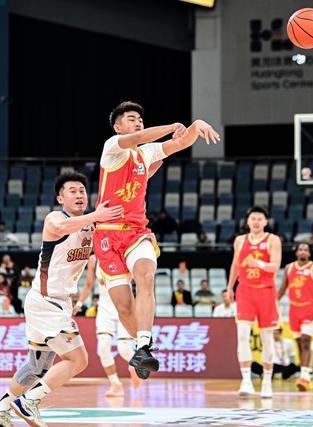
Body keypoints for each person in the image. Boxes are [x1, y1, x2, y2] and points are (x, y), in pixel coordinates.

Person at [92, 101, 219, 380]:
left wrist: (196, 126)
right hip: (107, 235)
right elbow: (140, 137)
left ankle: (143, 346)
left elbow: (179, 143)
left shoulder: (146, 152)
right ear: (117, 127)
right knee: (124, 307)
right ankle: (141, 348)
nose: (138, 122)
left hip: (136, 232)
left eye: (140, 118)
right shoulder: (112, 147)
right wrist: (173, 126)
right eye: (131, 118)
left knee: (146, 276)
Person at [0, 172, 122, 427]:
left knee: (37, 367)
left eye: (82, 191)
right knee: (78, 360)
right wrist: (96, 215)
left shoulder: (91, 225)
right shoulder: (55, 218)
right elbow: (60, 228)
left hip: (54, 303)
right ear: (60, 198)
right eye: (73, 191)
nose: (79, 195)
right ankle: (30, 401)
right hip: (46, 301)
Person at [227, 206, 282, 398]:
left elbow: (275, 266)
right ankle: (246, 381)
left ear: (265, 222)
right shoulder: (240, 240)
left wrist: (258, 263)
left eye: (260, 219)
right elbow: (235, 265)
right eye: (253, 219)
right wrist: (229, 287)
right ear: (248, 221)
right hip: (245, 291)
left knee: (267, 338)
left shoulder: (273, 240)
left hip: (266, 291)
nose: (256, 222)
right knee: (242, 335)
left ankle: (267, 382)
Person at [76, 254, 141, 397]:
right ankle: (115, 384)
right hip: (105, 309)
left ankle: (137, 365)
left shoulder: (123, 254)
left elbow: (137, 280)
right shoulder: (94, 260)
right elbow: (89, 284)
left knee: (124, 350)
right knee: (103, 348)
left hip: (124, 307)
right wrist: (79, 304)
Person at [277, 242, 313, 392]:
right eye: (301, 249)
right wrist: (272, 303)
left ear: (309, 253)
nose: (303, 251)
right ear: (296, 252)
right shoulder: (289, 268)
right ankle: (306, 374)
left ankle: (304, 377)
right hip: (294, 309)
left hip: (309, 308)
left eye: (306, 249)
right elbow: (282, 289)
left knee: (306, 341)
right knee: (299, 344)